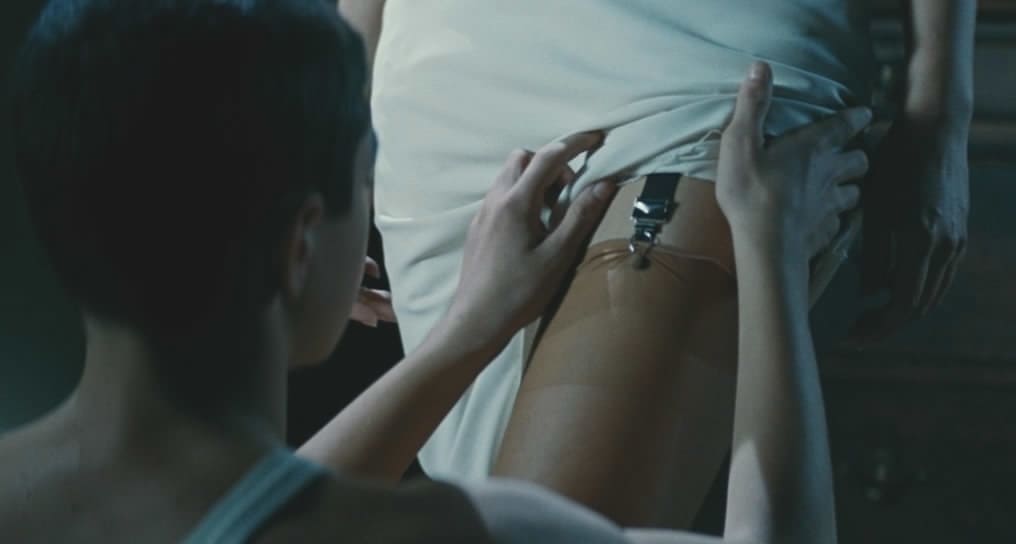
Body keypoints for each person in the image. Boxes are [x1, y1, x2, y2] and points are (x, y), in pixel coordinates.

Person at [0, 0, 867, 542]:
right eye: (363, 173)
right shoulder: (462, 531)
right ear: (301, 246)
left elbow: (246, 513)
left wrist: (463, 335)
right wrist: (767, 250)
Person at [320, 0, 975, 528]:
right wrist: (335, 155)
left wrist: (941, 113)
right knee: (512, 505)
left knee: (542, 517)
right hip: (445, 88)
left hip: (711, 75)